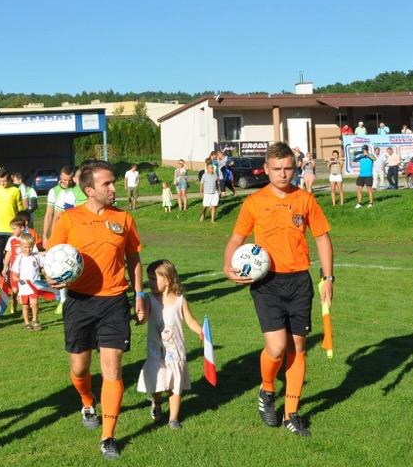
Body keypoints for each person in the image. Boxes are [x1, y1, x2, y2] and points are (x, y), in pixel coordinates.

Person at [222, 142, 334, 438]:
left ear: (294, 168)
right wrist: (227, 265)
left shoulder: (305, 199)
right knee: (276, 348)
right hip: (267, 283)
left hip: (299, 282)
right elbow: (236, 238)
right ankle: (267, 389)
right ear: (266, 169)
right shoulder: (254, 202)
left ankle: (291, 413)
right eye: (277, 169)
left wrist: (328, 278)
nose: (283, 174)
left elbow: (322, 238)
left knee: (297, 348)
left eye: (288, 168)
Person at [46, 160, 144, 460]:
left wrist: (139, 295)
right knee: (80, 368)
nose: (113, 188)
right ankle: (88, 401)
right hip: (79, 302)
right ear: (89, 190)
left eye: (113, 182)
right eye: (107, 184)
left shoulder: (123, 218)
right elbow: (53, 257)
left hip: (115, 301)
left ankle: (108, 437)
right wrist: (51, 277)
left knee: (112, 369)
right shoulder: (69, 219)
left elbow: (134, 259)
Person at [136, 259, 203, 429]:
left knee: (175, 385)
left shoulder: (180, 300)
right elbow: (144, 317)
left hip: (175, 352)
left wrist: (200, 330)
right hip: (156, 352)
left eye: (154, 279)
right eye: (149, 279)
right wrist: (141, 316)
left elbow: (190, 320)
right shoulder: (149, 299)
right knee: (157, 382)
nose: (150, 282)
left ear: (166, 280)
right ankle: (157, 402)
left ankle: (173, 418)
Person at [13, 233, 44, 331]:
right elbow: (14, 275)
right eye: (25, 247)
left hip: (35, 285)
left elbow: (42, 268)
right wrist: (18, 280)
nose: (28, 249)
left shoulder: (36, 257)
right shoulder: (19, 258)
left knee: (34, 303)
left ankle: (35, 321)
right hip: (24, 287)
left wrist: (47, 277)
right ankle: (27, 323)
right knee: (25, 305)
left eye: (30, 247)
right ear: (21, 247)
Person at [43, 166, 77, 247]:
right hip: (58, 230)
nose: (67, 183)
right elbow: (49, 215)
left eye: (70, 180)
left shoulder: (78, 190)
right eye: (65, 180)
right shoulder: (53, 191)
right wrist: (45, 235)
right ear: (60, 176)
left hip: (74, 230)